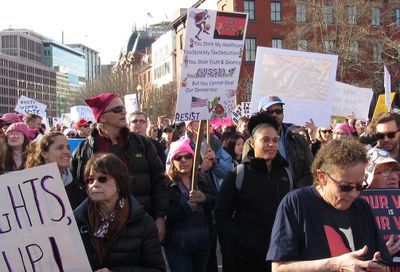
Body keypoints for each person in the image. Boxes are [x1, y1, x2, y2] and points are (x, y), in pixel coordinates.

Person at [267, 138, 390, 272]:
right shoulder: (297, 203)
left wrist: (379, 267)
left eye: (360, 186)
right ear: (322, 177)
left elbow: (383, 261)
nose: (354, 194)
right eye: (345, 187)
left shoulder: (362, 207)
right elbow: (278, 268)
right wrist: (336, 264)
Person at [71, 92, 168, 242]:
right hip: (101, 231)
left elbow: (159, 181)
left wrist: (160, 217)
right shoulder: (84, 151)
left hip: (141, 224)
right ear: (102, 117)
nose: (124, 112)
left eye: (123, 108)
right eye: (117, 110)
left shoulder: (142, 144)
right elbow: (78, 189)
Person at [215, 113, 292, 272]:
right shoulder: (238, 175)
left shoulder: (286, 174)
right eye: (265, 140)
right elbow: (222, 215)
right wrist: (243, 243)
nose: (271, 144)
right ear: (252, 142)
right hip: (245, 261)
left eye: (275, 140)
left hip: (279, 259)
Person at [74, 153, 165, 271]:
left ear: (119, 183)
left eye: (102, 179)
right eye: (90, 180)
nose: (94, 184)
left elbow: (157, 269)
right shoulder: (77, 220)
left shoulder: (142, 222)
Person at [163, 138, 216, 272]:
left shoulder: (203, 180)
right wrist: (186, 208)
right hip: (177, 246)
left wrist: (204, 198)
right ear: (172, 162)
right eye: (178, 157)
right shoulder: (166, 184)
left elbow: (217, 201)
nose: (183, 160)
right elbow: (164, 212)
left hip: (202, 243)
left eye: (187, 156)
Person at [243, 96, 313, 187]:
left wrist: (296, 188)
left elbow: (311, 170)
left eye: (278, 111)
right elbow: (247, 172)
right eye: (269, 112)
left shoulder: (297, 139)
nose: (275, 114)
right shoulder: (252, 143)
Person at [25, 131, 86, 209]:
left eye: (68, 148)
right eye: (60, 148)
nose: (67, 152)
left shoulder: (79, 190)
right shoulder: (28, 186)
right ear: (44, 154)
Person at [364, 147, 400, 256]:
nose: (394, 177)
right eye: (385, 171)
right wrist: (379, 254)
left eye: (395, 170)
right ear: (368, 176)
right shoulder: (355, 205)